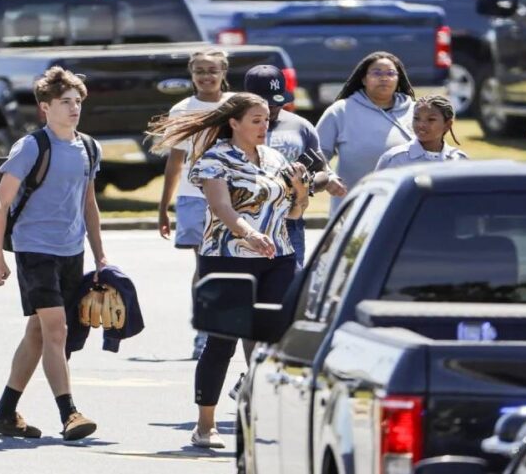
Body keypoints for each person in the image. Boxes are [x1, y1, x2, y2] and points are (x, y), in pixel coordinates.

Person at [148, 93, 310, 449]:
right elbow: (221, 207)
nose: (264, 125)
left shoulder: (276, 158)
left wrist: (299, 192)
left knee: (277, 339)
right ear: (234, 123)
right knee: (222, 342)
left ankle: (257, 396)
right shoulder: (213, 160)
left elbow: (294, 214)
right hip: (227, 259)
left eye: (266, 119)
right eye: (255, 119)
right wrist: (250, 234)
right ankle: (205, 424)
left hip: (276, 257)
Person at [0, 66, 105, 441]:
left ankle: (5, 412)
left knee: (39, 332)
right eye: (65, 102)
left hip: (72, 250)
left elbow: (89, 204)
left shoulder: (88, 146)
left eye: (77, 102)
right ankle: (69, 413)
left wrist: (100, 256)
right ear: (44, 108)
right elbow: (0, 203)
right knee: (57, 329)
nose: (74, 109)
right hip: (34, 249)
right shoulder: (31, 147)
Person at [156, 49, 233, 360]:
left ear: (224, 72)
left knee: (232, 265)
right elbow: (175, 160)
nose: (206, 76)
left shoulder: (235, 105)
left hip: (234, 196)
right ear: (191, 74)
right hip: (194, 196)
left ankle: (228, 328)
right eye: (199, 70)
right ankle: (204, 332)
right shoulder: (182, 109)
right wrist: (164, 206)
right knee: (205, 265)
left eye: (212, 70)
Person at [241, 64, 346, 270]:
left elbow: (322, 170)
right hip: (244, 222)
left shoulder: (300, 126)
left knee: (290, 285)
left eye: (276, 102)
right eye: (265, 103)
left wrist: (303, 185)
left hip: (289, 221)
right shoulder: (231, 127)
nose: (272, 109)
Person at [316, 51, 416, 211]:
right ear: (363, 79)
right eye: (377, 73)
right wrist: (329, 177)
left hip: (405, 208)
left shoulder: (416, 111)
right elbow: (316, 153)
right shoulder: (341, 111)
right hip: (354, 209)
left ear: (398, 79)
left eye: (390, 73)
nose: (384, 78)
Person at [376, 94, 468, 170]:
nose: (421, 125)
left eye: (431, 119)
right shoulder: (395, 159)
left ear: (447, 125)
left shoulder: (459, 160)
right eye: (416, 118)